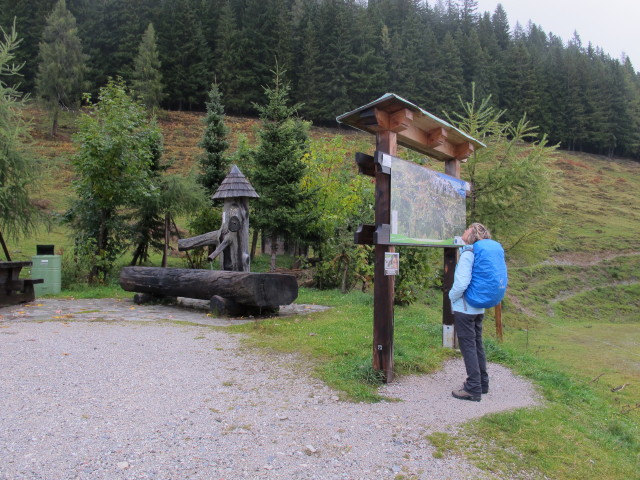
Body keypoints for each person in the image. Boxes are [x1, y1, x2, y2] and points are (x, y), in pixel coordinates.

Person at [449, 222, 492, 402]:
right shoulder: (481, 254)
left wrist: (452, 296)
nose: (464, 231)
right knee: (477, 344)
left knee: (468, 346)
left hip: (465, 307)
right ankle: (482, 383)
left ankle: (472, 388)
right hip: (478, 306)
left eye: (467, 229)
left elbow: (461, 283)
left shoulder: (468, 254)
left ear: (472, 234)